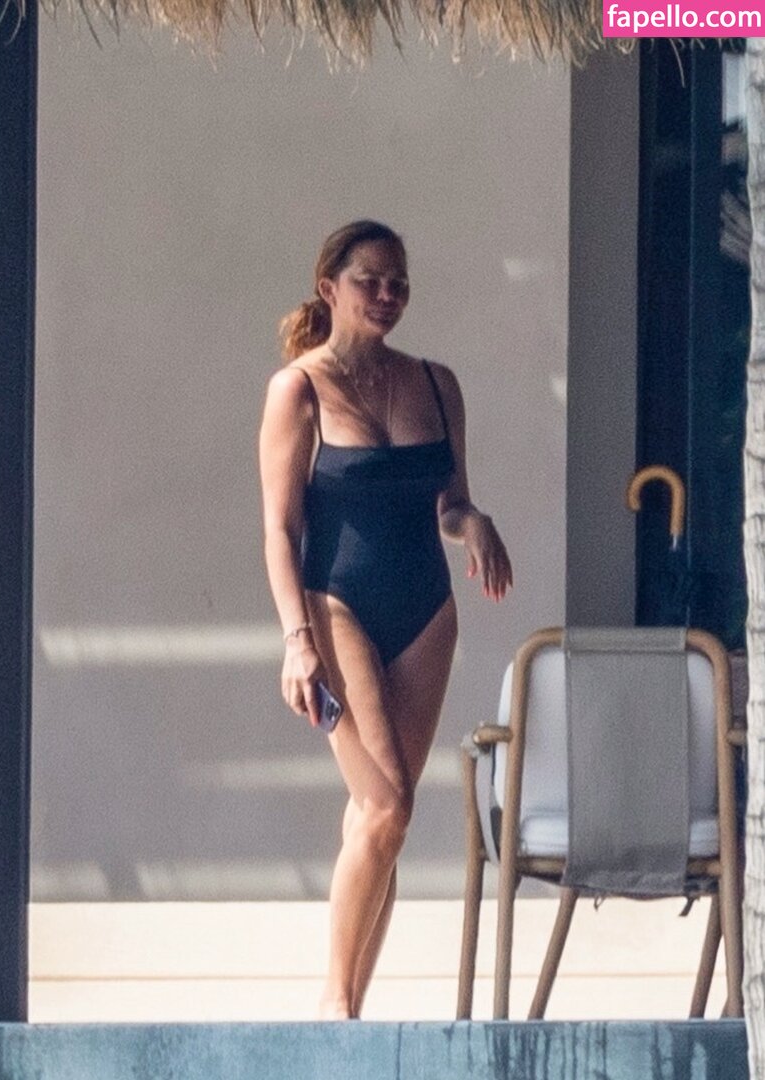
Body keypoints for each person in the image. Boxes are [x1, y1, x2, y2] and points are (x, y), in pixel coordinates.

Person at [259, 220, 512, 1019]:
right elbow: (280, 529)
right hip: (336, 605)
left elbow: (452, 501)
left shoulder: (436, 384)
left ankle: (351, 1014)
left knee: (382, 823)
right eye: (369, 280)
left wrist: (474, 523)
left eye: (398, 282)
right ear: (329, 288)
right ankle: (334, 1011)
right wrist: (296, 640)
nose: (387, 294)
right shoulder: (299, 389)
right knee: (387, 804)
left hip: (425, 613)